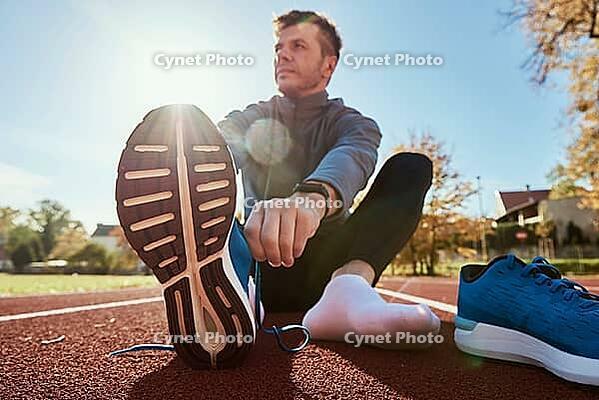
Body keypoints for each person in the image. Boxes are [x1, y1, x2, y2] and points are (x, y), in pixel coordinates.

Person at [217, 10, 440, 344]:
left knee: (411, 166)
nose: (282, 54)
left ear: (328, 65)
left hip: (330, 268)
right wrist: (194, 148)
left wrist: (310, 200)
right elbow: (220, 144)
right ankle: (231, 289)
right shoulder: (253, 116)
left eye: (299, 45)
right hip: (259, 264)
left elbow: (352, 155)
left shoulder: (353, 123)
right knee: (203, 155)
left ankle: (347, 290)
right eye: (279, 47)